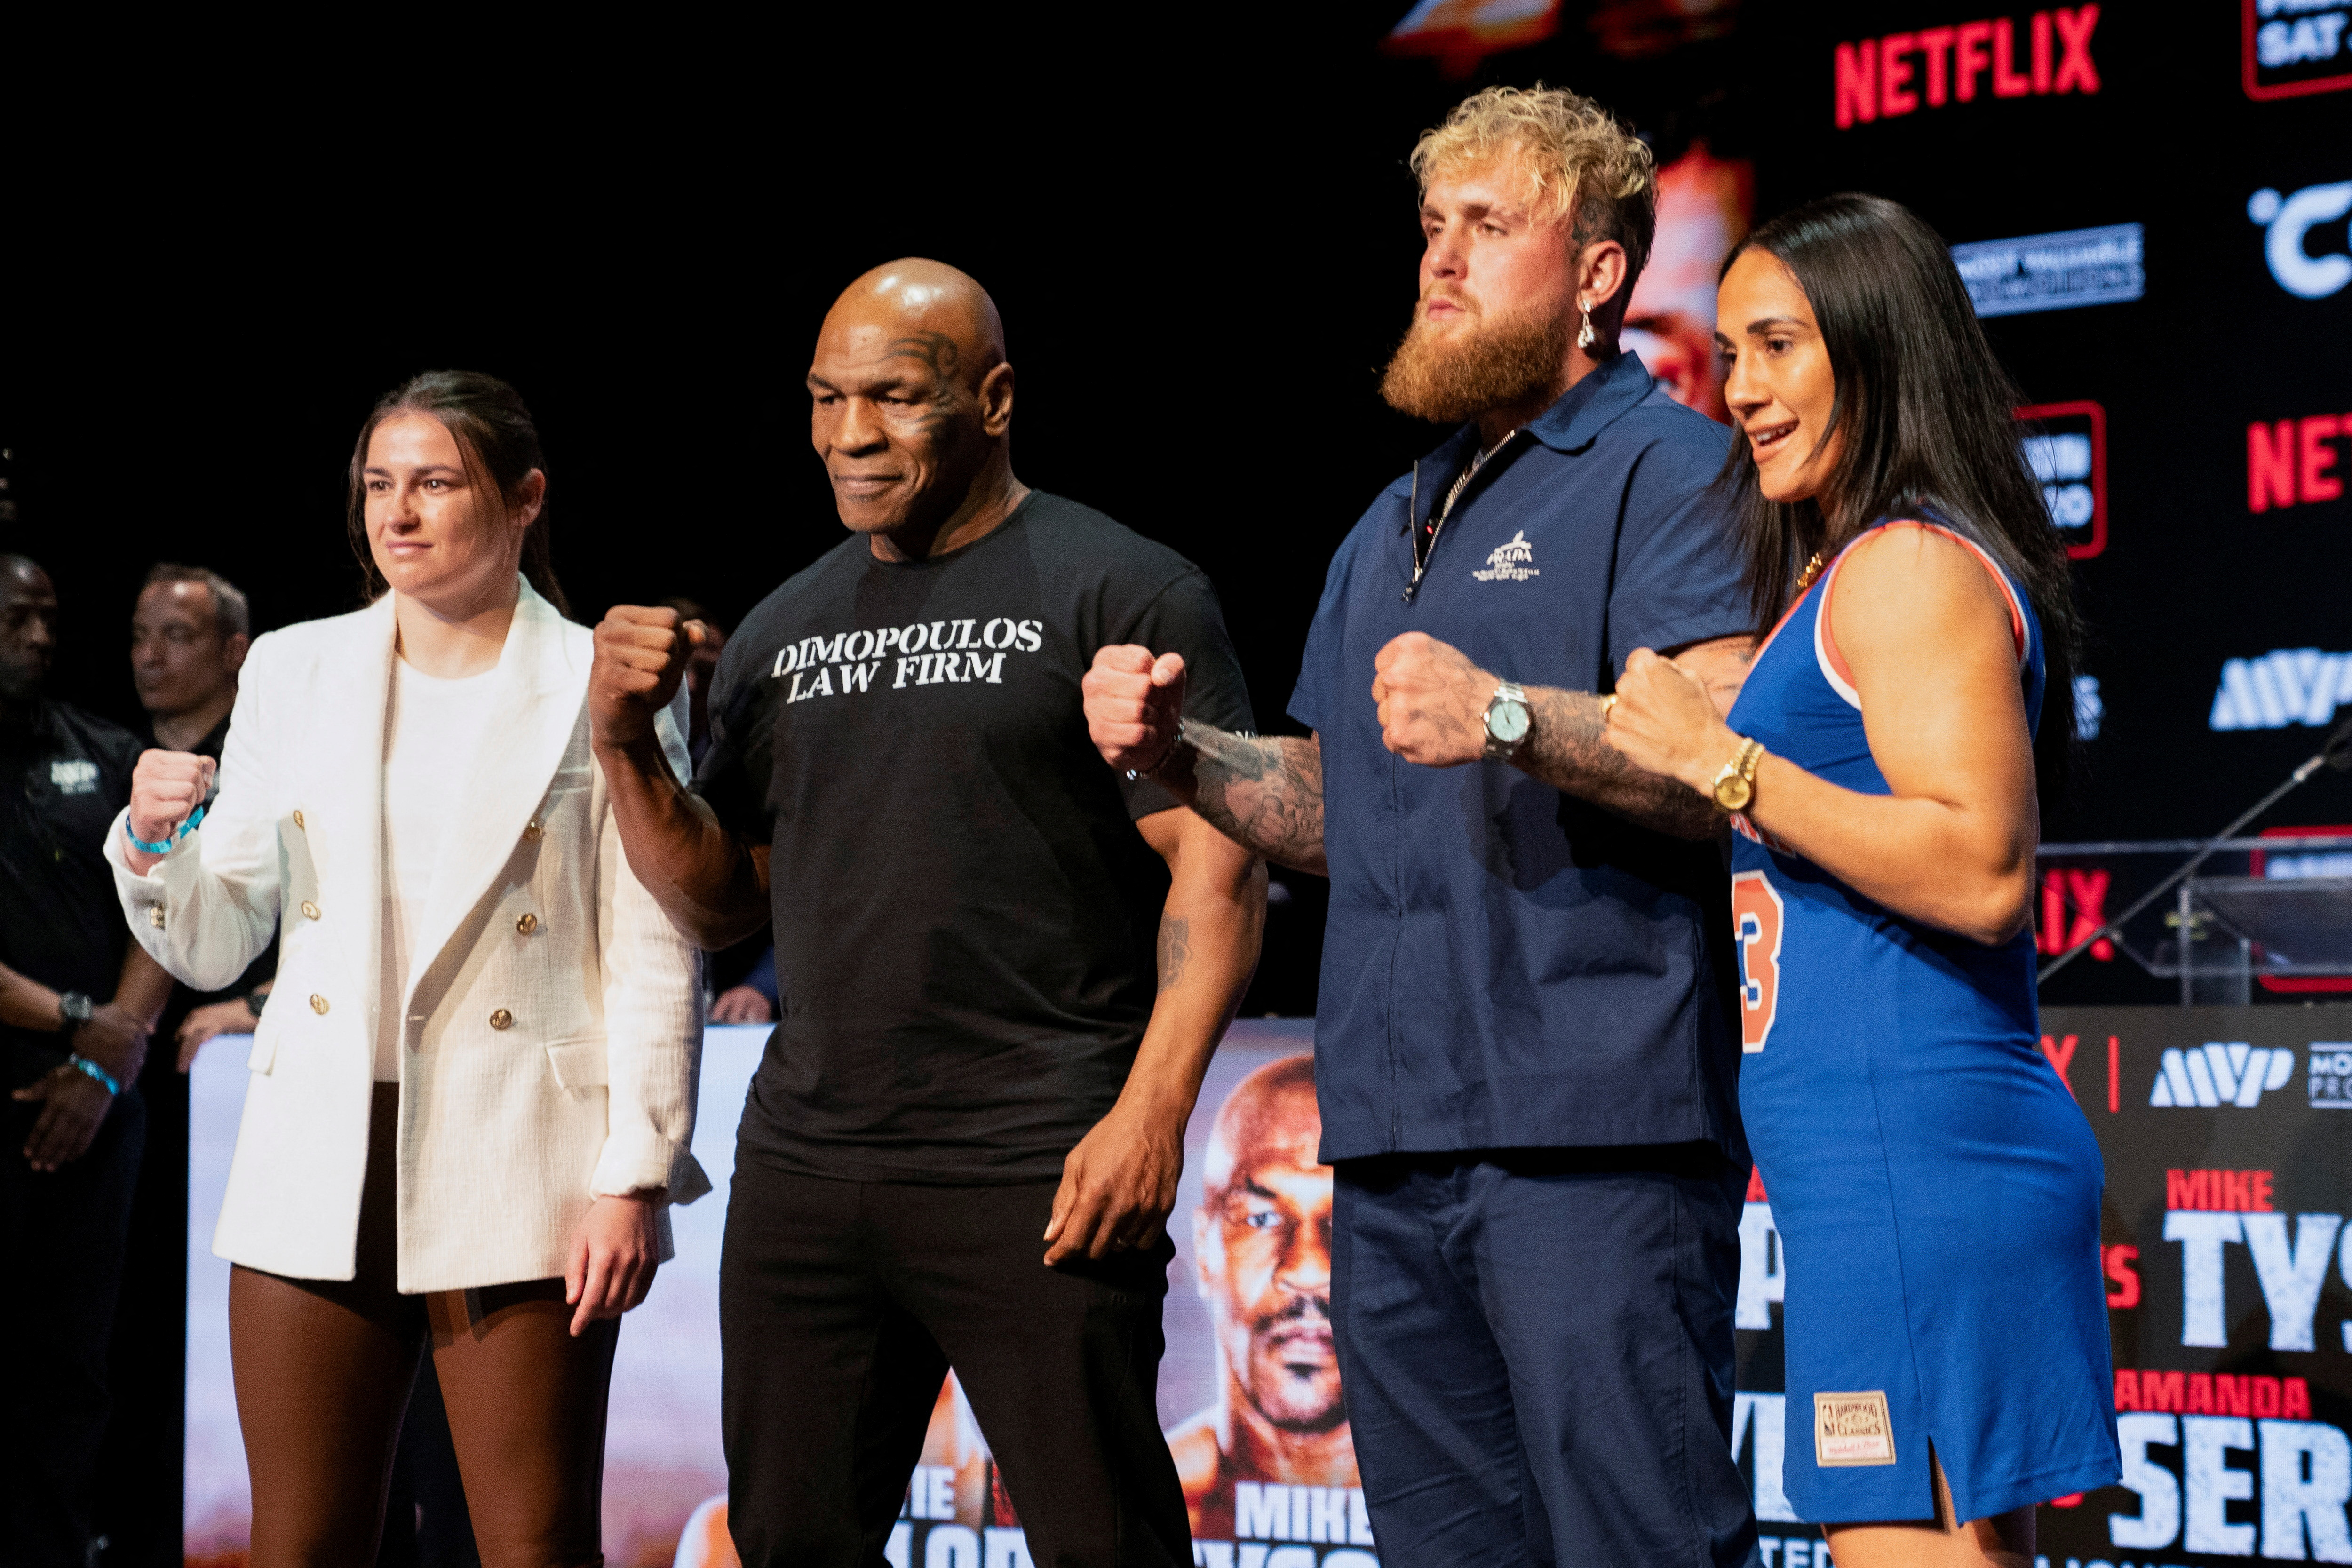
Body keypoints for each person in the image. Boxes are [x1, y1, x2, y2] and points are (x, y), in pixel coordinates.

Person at [1082, 85, 1760, 1564]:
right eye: (1428, 229)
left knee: (1637, 1543)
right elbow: (1339, 812)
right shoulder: (1392, 518)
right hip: (1386, 1150)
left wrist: (1506, 712)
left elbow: (1720, 761)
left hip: (1590, 1146)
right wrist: (1178, 755)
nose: (1437, 262)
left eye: (1485, 226)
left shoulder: (1675, 473)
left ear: (1595, 273)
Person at [588, 258, 1264, 1567]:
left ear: (995, 395)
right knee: (787, 1538)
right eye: (827, 398)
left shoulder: (1121, 585)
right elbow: (724, 904)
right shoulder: (788, 626)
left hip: (1040, 1156)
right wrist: (626, 749)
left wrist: (1152, 1114)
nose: (850, 435)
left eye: (894, 398)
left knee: (1104, 1541)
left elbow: (1220, 870)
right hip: (810, 1164)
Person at [106, 370, 707, 1568]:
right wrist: (152, 842)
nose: (400, 513)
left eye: (436, 482)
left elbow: (655, 944)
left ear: (525, 497)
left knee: (533, 1544)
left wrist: (636, 1171)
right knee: (301, 1543)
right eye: (379, 485)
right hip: (317, 1146)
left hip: (527, 1153)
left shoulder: (598, 675)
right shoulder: (293, 667)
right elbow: (221, 939)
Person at [1604, 192, 2117, 1568]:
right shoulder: (1842, 576)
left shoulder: (1905, 571)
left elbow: (1981, 865)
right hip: (1873, 1179)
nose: (1741, 388)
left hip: (1919, 1167)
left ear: (1877, 349)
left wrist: (1722, 767)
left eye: (1777, 345)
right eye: (1729, 350)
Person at [0, 553, 175, 1568]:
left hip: (96, 1112)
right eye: (15, 617)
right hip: (35, 1072)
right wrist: (81, 1023)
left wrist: (107, 1062)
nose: (38, 634)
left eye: (48, 616)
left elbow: (164, 900)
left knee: (73, 1367)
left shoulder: (106, 750)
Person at [1164, 1055, 1354, 1542]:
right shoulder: (1130, 1515)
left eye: (1350, 1222)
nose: (1307, 1270)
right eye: (1262, 1219)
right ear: (1204, 1251)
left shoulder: (1470, 1514)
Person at [130, 563, 277, 1061]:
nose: (150, 657)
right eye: (140, 636)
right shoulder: (115, 760)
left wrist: (261, 1004)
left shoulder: (278, 760)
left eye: (177, 636)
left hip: (241, 1048)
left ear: (235, 650)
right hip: (140, 1055)